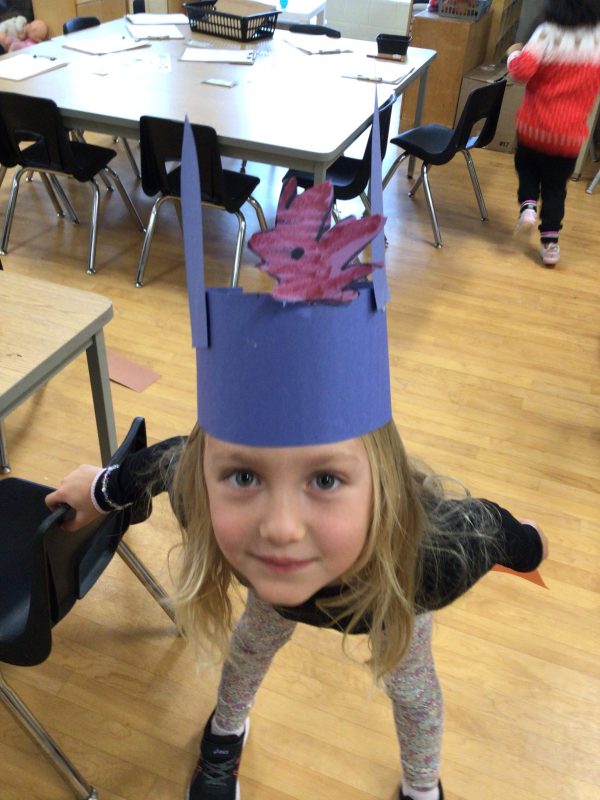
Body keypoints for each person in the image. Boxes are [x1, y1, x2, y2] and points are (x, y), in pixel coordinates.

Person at [46, 174, 548, 800]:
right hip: (276, 598)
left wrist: (526, 545)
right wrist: (100, 489)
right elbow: (168, 461)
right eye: (245, 476)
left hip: (389, 594)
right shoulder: (204, 495)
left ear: (384, 489)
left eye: (326, 478)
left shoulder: (433, 560)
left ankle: (422, 787)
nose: (280, 527)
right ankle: (225, 732)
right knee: (249, 652)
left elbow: (487, 526)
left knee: (413, 690)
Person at [506, 0, 600, 267]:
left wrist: (513, 53)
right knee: (556, 188)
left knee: (526, 168)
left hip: (534, 126)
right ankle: (550, 246)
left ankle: (527, 206)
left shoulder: (547, 31)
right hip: (569, 134)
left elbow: (521, 72)